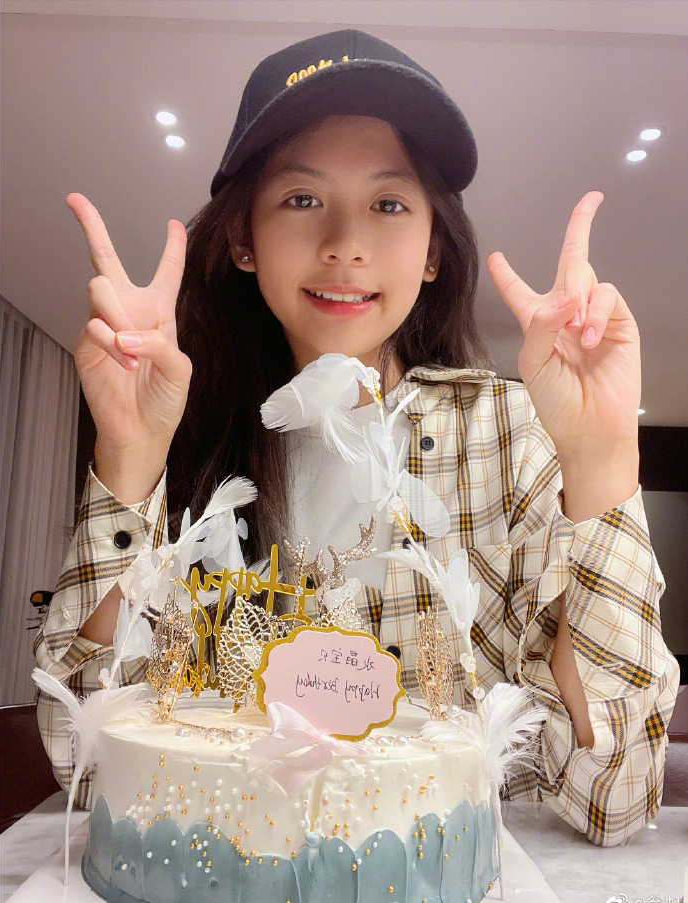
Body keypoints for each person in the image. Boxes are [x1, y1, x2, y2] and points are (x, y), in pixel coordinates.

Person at [35, 29, 678, 846]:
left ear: (434, 249)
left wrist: (602, 458)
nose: (345, 243)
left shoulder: (507, 434)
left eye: (389, 203)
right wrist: (130, 455)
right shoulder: (186, 437)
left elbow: (611, 797)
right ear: (243, 240)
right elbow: (85, 766)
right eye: (302, 199)